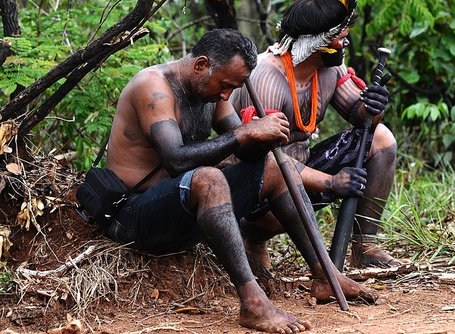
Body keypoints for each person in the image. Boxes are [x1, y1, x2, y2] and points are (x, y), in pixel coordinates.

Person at [104, 29, 373, 333]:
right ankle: (252, 302)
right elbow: (175, 159)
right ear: (201, 65)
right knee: (210, 178)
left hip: (184, 213)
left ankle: (325, 273)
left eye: (233, 88)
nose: (225, 96)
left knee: (271, 164)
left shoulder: (212, 89)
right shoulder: (153, 87)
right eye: (225, 86)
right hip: (135, 217)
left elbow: (245, 151)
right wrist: (245, 133)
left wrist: (263, 134)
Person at [231, 0, 399, 269]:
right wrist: (332, 182)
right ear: (316, 42)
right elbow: (270, 161)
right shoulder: (267, 79)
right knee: (277, 178)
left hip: (302, 172)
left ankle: (364, 247)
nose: (345, 43)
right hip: (258, 188)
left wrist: (374, 104)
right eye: (339, 38)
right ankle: (252, 237)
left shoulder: (329, 70)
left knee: (380, 137)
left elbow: (361, 117)